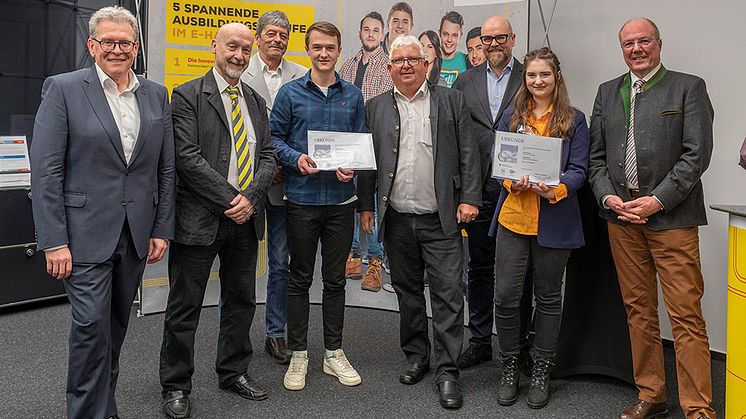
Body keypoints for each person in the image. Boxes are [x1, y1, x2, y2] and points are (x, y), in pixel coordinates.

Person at [29, 6, 175, 418]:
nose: (117, 49)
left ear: (136, 47)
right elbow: (46, 170)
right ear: (92, 45)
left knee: (113, 329)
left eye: (125, 42)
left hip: (134, 236)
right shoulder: (63, 88)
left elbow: (164, 169)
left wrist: (161, 227)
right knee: (91, 330)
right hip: (81, 236)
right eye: (107, 41)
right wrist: (53, 240)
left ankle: (102, 406)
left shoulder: (155, 93)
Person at [588, 18, 715, 419]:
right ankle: (652, 395)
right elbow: (595, 159)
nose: (636, 48)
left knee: (685, 315)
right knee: (638, 310)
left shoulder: (688, 87)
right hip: (622, 220)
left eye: (644, 41)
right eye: (628, 43)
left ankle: (697, 407)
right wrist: (609, 197)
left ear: (659, 44)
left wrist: (658, 200)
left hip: (672, 219)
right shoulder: (608, 92)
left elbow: (696, 155)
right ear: (621, 48)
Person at [159, 23, 278, 419]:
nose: (239, 55)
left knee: (242, 300)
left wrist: (253, 198)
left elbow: (268, 156)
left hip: (245, 220)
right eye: (233, 46)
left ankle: (233, 371)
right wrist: (233, 199)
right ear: (215, 46)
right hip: (200, 219)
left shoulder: (257, 102)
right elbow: (187, 158)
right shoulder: (188, 95)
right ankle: (176, 384)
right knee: (184, 305)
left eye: (246, 48)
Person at [358, 35, 481, 410]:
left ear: (427, 65)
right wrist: (365, 206)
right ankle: (417, 357)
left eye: (414, 59)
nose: (407, 65)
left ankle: (447, 372)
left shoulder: (451, 100)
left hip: (441, 219)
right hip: (396, 219)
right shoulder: (375, 106)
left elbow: (468, 153)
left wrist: (471, 198)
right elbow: (367, 159)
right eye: (399, 61)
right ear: (390, 67)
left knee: (447, 296)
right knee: (408, 293)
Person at [491, 47, 589, 409]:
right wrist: (510, 183)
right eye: (531, 75)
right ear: (525, 79)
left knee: (548, 298)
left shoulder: (574, 120)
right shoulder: (511, 117)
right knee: (505, 297)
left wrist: (557, 188)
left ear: (556, 77)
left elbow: (580, 170)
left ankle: (542, 368)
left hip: (554, 219)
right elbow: (500, 166)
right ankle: (510, 364)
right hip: (514, 220)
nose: (537, 81)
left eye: (544, 74)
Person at [270, 21, 366, 392]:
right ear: (308, 50)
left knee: (336, 281)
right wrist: (296, 158)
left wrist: (352, 167)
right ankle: (298, 353)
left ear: (339, 51)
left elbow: (360, 144)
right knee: (298, 279)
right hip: (302, 201)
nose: (323, 53)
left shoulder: (353, 96)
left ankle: (333, 352)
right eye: (317, 47)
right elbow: (274, 139)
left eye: (330, 47)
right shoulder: (290, 94)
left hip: (342, 202)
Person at [452, 16, 533, 372]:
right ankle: (481, 341)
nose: (494, 44)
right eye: (488, 39)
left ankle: (523, 345)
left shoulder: (531, 76)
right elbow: (454, 134)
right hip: (479, 187)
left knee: (522, 270)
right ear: (480, 43)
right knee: (480, 267)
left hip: (522, 189)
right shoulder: (465, 81)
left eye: (501, 37)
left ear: (512, 39)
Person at [241, 9, 306, 366]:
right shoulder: (239, 67)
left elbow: (302, 127)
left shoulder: (300, 74)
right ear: (259, 35)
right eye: (271, 33)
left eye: (283, 34)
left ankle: (275, 333)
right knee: (240, 263)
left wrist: (284, 163)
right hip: (246, 184)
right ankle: (234, 339)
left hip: (286, 183)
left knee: (281, 262)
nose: (277, 39)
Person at [339, 11, 394, 292]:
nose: (371, 34)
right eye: (366, 29)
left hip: (376, 145)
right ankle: (353, 254)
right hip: (349, 144)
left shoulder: (388, 66)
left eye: (376, 30)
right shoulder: (347, 66)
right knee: (350, 198)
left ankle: (374, 260)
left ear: (382, 34)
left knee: (373, 201)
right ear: (359, 34)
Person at [439, 11, 468, 87]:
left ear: (460, 36)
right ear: (439, 33)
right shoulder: (430, 59)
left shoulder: (467, 60)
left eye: (454, 35)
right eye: (445, 34)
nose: (449, 40)